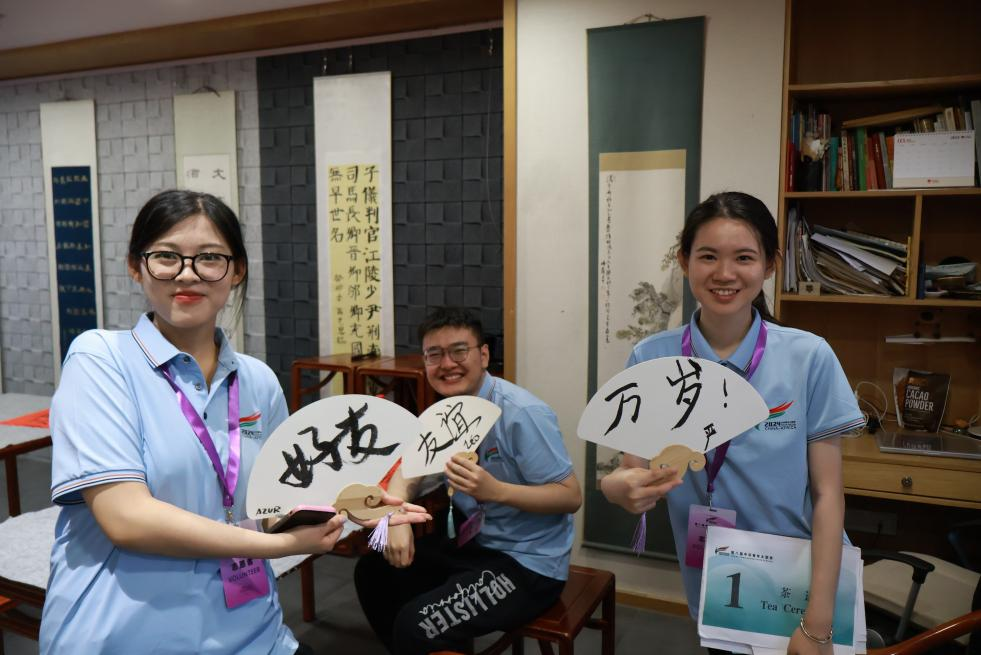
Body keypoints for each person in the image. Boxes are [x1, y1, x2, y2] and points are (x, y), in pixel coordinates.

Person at [39, 189, 427, 654]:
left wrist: (350, 506)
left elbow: (275, 508)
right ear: (136, 266)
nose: (187, 273)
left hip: (253, 632)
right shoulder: (100, 359)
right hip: (124, 637)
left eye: (209, 258)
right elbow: (126, 519)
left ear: (236, 270)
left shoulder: (257, 380)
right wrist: (280, 547)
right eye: (166, 257)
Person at [600, 192, 865, 655]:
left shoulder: (808, 357)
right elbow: (628, 471)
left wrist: (818, 622)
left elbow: (828, 495)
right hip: (717, 582)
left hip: (804, 581)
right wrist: (619, 488)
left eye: (743, 257)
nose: (724, 274)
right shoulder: (651, 359)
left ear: (770, 265)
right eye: (708, 256)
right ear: (684, 261)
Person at [354, 307, 582, 655]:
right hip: (473, 546)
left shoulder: (521, 414)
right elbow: (409, 470)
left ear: (483, 355)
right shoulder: (445, 412)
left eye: (459, 351)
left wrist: (497, 491)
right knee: (372, 572)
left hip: (527, 563)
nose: (447, 364)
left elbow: (570, 496)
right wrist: (396, 517)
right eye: (434, 354)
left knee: (416, 626)